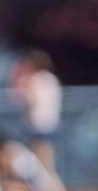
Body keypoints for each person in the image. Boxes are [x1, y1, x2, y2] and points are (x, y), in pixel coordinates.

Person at [10, 49, 62, 177]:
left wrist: (21, 88)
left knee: (43, 165)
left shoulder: (35, 80)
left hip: (38, 124)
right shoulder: (51, 79)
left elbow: (29, 100)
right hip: (52, 122)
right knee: (48, 162)